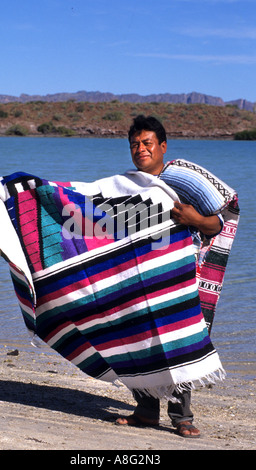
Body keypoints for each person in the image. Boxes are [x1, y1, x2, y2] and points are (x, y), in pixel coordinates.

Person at [115, 115, 223, 438]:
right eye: (135, 144)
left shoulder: (183, 181)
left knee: (180, 341)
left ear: (163, 146)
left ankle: (181, 415)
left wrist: (194, 217)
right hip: (140, 277)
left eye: (147, 143)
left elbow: (217, 224)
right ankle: (146, 410)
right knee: (140, 341)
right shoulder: (127, 185)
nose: (140, 149)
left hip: (179, 277)